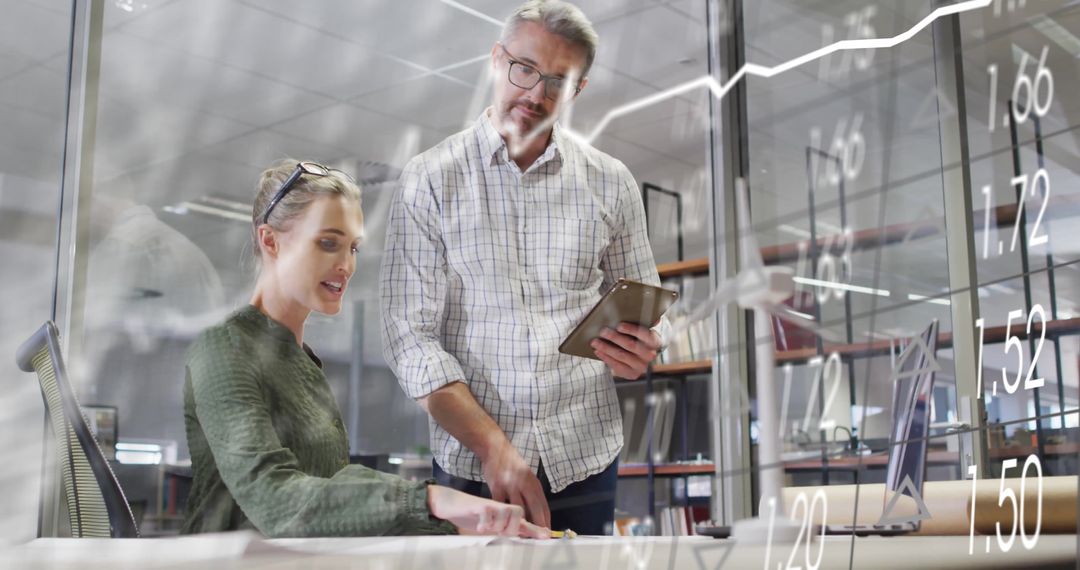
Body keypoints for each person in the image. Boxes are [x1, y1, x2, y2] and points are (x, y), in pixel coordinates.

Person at [381, 0, 666, 536]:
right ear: (496, 60)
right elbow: (407, 337)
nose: (536, 93)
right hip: (472, 465)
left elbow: (645, 300)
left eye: (558, 81)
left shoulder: (612, 182)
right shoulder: (430, 178)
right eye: (525, 69)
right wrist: (493, 446)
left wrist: (645, 347)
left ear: (578, 91)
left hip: (584, 456)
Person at [182, 159, 549, 539]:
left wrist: (450, 522)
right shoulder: (224, 349)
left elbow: (331, 490)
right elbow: (276, 499)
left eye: (352, 247)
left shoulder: (303, 362)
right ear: (270, 240)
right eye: (328, 243)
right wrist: (430, 501)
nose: (346, 265)